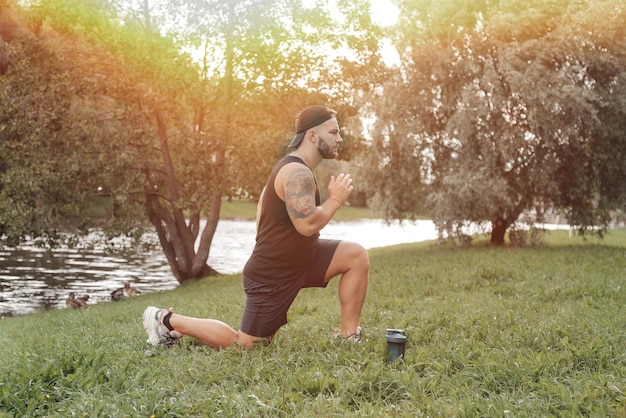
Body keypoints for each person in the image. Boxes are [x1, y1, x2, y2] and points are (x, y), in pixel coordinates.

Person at [142, 105, 370, 349]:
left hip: (302, 260)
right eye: (334, 132)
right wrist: (335, 200)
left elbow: (266, 218)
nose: (340, 138)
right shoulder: (296, 172)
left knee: (355, 256)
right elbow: (307, 224)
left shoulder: (296, 169)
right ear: (312, 136)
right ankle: (165, 320)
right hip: (272, 274)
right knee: (248, 345)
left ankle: (349, 336)